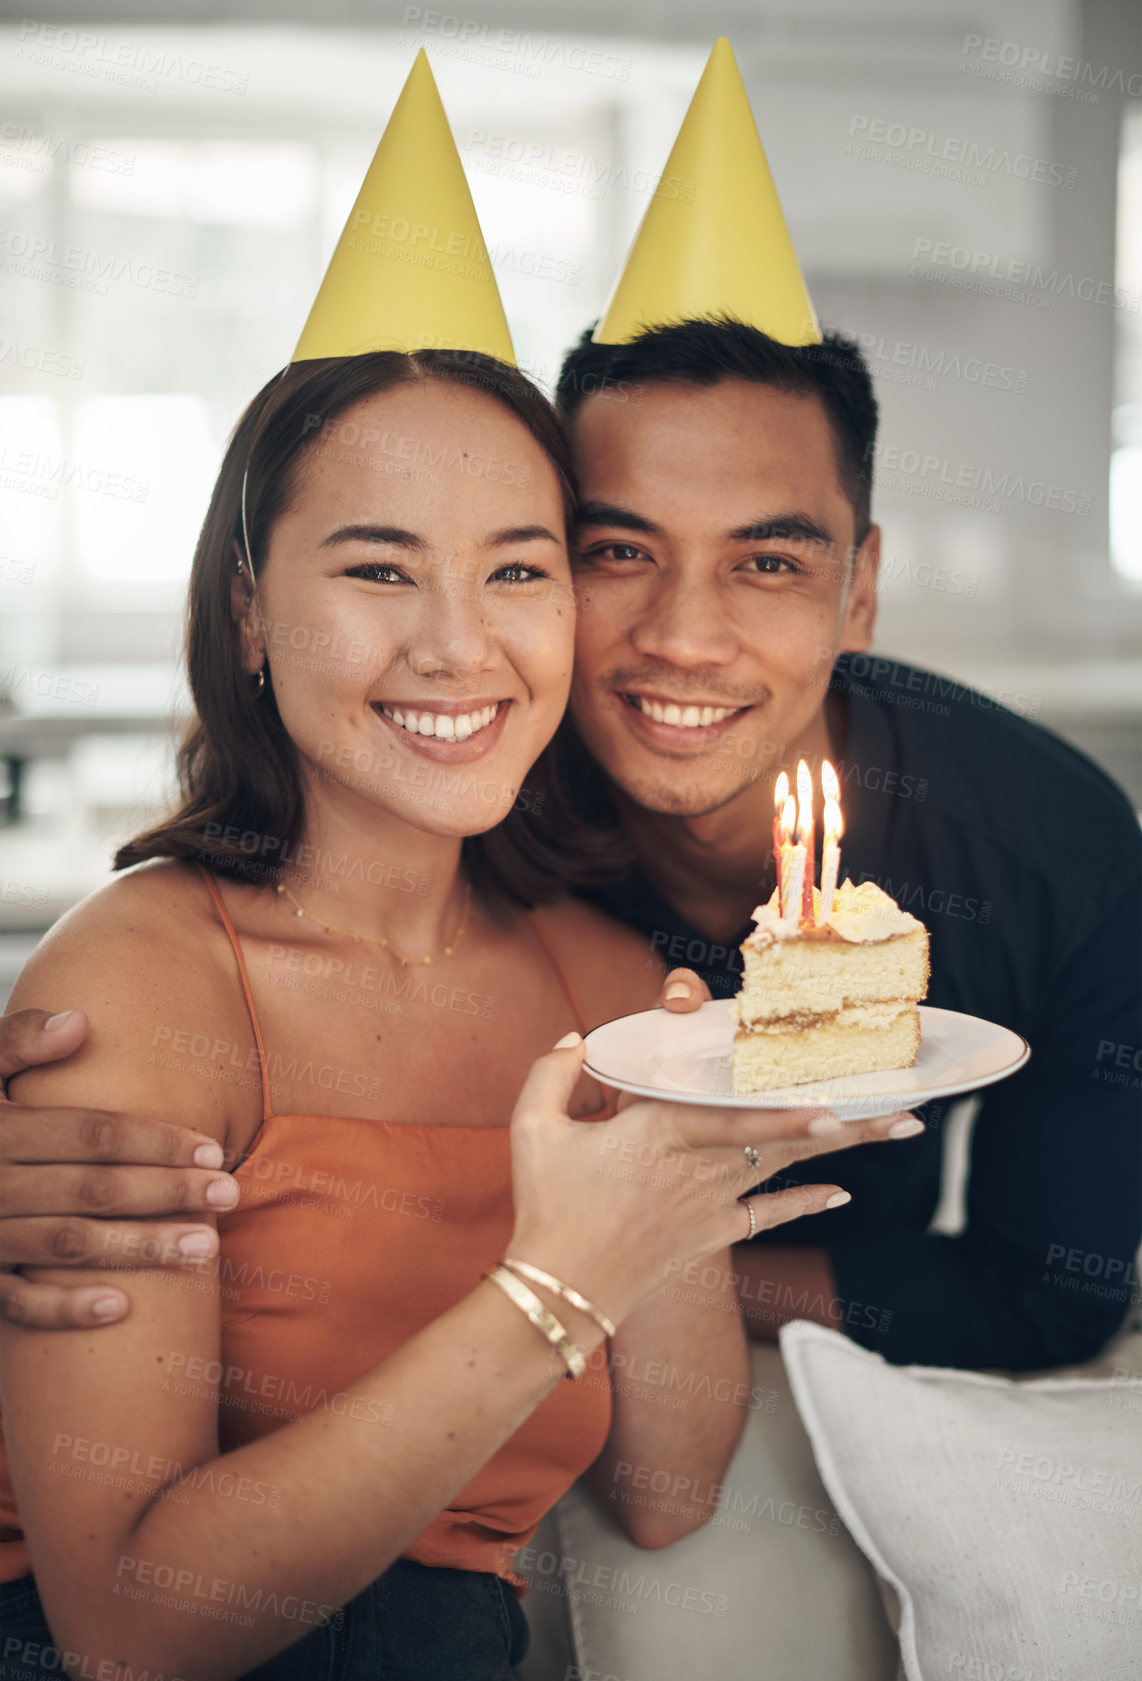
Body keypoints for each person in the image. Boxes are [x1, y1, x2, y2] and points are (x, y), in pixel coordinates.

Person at [0, 59, 904, 1681]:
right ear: (252, 609)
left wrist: (691, 1183)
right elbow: (127, 1636)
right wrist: (557, 1276)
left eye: (517, 566)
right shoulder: (135, 981)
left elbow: (669, 1485)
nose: (455, 646)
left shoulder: (618, 980)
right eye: (375, 568)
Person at [3, 43, 1138, 1372]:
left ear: (860, 591)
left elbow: (1045, 1293)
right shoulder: (457, 771)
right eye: (611, 552)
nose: (682, 637)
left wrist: (618, 1263)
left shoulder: (1047, 847)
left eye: (767, 562)